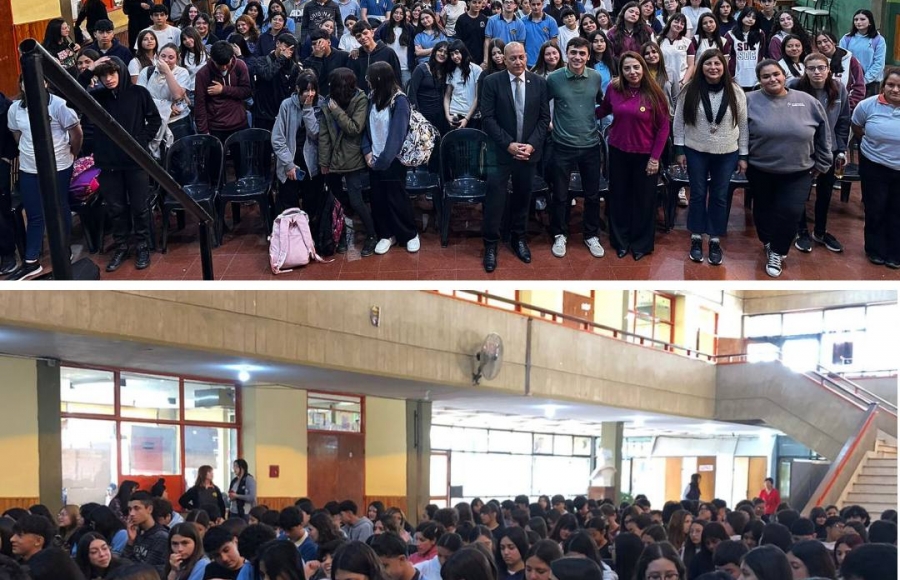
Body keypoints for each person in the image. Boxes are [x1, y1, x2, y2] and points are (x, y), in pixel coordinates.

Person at [746, 60, 831, 277]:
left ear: (784, 75)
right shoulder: (748, 101)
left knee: (791, 212)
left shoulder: (808, 101)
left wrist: (823, 162)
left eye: (776, 74)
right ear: (759, 81)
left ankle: (778, 250)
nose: (772, 79)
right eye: (766, 76)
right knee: (762, 210)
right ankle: (768, 241)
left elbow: (823, 134)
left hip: (799, 171)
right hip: (760, 168)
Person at [85, 56, 160, 273]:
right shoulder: (96, 97)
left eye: (112, 74)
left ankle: (143, 246)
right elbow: (72, 97)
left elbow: (154, 119)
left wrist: (140, 140)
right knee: (115, 208)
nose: (108, 79)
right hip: (108, 162)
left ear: (121, 72)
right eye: (103, 75)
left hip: (135, 160)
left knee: (139, 207)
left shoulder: (138, 93)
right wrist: (90, 68)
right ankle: (121, 246)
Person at [479, 41, 549, 271]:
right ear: (504, 60)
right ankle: (490, 243)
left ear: (526, 57)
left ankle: (519, 238)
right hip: (500, 151)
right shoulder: (491, 82)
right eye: (513, 58)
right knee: (494, 198)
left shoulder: (539, 82)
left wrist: (531, 145)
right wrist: (508, 144)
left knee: (522, 197)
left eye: (521, 57)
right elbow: (487, 118)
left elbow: (543, 119)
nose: (518, 62)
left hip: (528, 153)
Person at [4, 75, 81, 281]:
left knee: (59, 207)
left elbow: (76, 133)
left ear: (46, 83)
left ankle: (64, 250)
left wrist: (72, 153)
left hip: (59, 165)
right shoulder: (15, 109)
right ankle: (31, 261)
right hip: (29, 167)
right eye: (24, 82)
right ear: (21, 85)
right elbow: (17, 134)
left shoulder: (58, 105)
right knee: (34, 212)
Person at [674, 49, 747, 265]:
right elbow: (679, 121)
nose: (713, 67)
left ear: (724, 67)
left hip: (727, 152)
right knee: (697, 193)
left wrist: (743, 154)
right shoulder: (690, 90)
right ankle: (696, 237)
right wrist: (679, 150)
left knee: (720, 196)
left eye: (717, 64)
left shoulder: (736, 91)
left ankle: (714, 238)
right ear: (700, 67)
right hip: (696, 149)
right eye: (708, 64)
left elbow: (743, 124)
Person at [597, 50, 669, 261]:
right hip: (619, 152)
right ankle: (620, 241)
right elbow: (603, 110)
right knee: (619, 198)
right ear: (621, 70)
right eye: (627, 68)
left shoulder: (655, 93)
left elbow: (664, 128)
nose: (632, 72)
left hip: (646, 156)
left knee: (644, 201)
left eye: (636, 67)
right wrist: (577, 112)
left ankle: (640, 244)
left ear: (643, 68)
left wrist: (655, 158)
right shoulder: (614, 88)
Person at [546, 37, 605, 260]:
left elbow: (599, 104)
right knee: (560, 194)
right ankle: (560, 234)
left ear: (588, 56)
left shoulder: (596, 78)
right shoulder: (554, 79)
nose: (577, 57)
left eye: (582, 53)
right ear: (566, 53)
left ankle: (591, 235)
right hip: (562, 145)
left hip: (590, 145)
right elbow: (543, 106)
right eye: (573, 53)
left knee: (592, 195)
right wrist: (550, 125)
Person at [789, 52, 850, 255]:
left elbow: (843, 121)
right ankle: (801, 230)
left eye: (821, 68)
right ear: (805, 70)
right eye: (812, 68)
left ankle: (821, 232)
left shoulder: (838, 89)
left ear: (828, 69)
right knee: (800, 192)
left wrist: (841, 149)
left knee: (825, 192)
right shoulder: (795, 87)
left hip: (829, 150)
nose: (817, 72)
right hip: (802, 150)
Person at [851, 67, 900, 267]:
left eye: (899, 86)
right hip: (874, 165)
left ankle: (895, 252)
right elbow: (856, 126)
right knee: (875, 208)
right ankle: (875, 249)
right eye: (891, 85)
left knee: (897, 211)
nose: (895, 89)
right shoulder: (867, 105)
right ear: (883, 86)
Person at [193, 41, 252, 143]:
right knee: (216, 158)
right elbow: (200, 103)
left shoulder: (240, 66)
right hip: (216, 126)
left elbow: (246, 91)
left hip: (239, 123)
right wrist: (203, 131)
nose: (224, 67)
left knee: (241, 158)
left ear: (232, 57)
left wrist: (223, 90)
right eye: (220, 65)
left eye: (226, 64)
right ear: (212, 59)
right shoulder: (203, 74)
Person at [252, 32, 302, 133]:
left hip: (282, 112)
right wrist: (281, 59)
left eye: (291, 49)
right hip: (263, 113)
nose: (288, 51)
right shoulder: (262, 61)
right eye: (286, 47)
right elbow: (267, 75)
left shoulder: (293, 67)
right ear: (277, 43)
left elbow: (293, 91)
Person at [812, 32, 866, 113]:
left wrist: (847, 106)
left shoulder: (851, 60)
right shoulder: (814, 61)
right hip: (820, 109)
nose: (823, 45)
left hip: (844, 110)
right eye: (819, 43)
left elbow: (859, 88)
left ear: (833, 42)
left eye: (826, 41)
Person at [119, 491, 168, 576]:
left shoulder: (161, 536)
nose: (131, 514)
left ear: (149, 509)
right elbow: (122, 562)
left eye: (136, 508)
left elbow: (146, 570)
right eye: (130, 509)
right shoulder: (137, 532)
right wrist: (130, 542)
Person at [839, 10, 886, 97]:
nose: (858, 22)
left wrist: (864, 80)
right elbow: (842, 59)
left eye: (862, 19)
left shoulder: (878, 40)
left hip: (871, 82)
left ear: (870, 22)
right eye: (856, 20)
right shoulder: (846, 38)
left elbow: (879, 63)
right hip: (851, 81)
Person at [349, 20, 403, 90]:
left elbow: (397, 78)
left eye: (365, 33)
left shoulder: (388, 53)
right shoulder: (356, 56)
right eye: (359, 36)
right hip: (363, 98)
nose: (362, 37)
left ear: (372, 33)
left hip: (385, 97)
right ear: (356, 39)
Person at [444, 40, 481, 129]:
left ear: (463, 51)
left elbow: (477, 97)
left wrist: (467, 119)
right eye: (452, 54)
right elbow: (447, 96)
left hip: (471, 116)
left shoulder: (476, 70)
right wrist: (448, 116)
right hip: (455, 114)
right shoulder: (451, 71)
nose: (454, 57)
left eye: (457, 53)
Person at [727, 7, 765, 90]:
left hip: (755, 77)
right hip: (736, 77)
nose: (751, 19)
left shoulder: (760, 33)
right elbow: (727, 56)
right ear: (742, 16)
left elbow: (761, 53)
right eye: (748, 16)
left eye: (754, 18)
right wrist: (730, 75)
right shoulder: (730, 34)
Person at [483, 0, 525, 69]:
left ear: (515, 5)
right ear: (502, 4)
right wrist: (485, 60)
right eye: (506, 2)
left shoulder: (520, 24)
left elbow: (520, 45)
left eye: (511, 2)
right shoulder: (492, 20)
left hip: (511, 60)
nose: (508, 4)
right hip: (495, 59)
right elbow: (487, 41)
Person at [659, 13, 691, 89]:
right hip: (662, 82)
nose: (679, 25)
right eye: (676, 22)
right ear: (670, 22)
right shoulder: (658, 40)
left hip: (681, 82)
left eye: (682, 24)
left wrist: (683, 82)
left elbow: (691, 65)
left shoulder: (687, 42)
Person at [522, 0, 558, 69]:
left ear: (542, 4)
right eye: (533, 4)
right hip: (529, 62)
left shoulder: (551, 21)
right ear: (529, 4)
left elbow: (554, 44)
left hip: (546, 62)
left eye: (538, 4)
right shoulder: (522, 22)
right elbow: (521, 43)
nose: (536, 7)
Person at [455, 0, 488, 66]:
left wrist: (485, 60)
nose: (477, 5)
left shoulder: (484, 19)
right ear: (468, 3)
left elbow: (486, 40)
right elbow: (459, 41)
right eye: (474, 2)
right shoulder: (461, 19)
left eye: (479, 2)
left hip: (481, 57)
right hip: (466, 57)